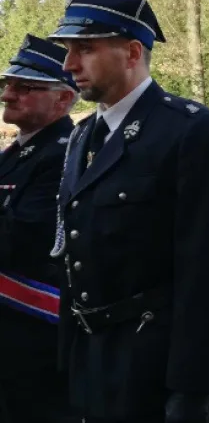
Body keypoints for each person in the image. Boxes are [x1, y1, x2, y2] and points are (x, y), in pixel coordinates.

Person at [50, 0, 209, 422]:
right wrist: (70, 354)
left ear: (132, 52)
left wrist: (194, 382)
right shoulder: (83, 135)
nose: (69, 64)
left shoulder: (190, 130)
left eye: (84, 48)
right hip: (93, 353)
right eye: (67, 50)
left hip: (154, 359)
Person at [0, 35, 80, 422]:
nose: (7, 95)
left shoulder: (64, 154)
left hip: (36, 334)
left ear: (63, 99)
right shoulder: (17, 153)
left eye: (24, 87)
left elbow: (24, 242)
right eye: (8, 85)